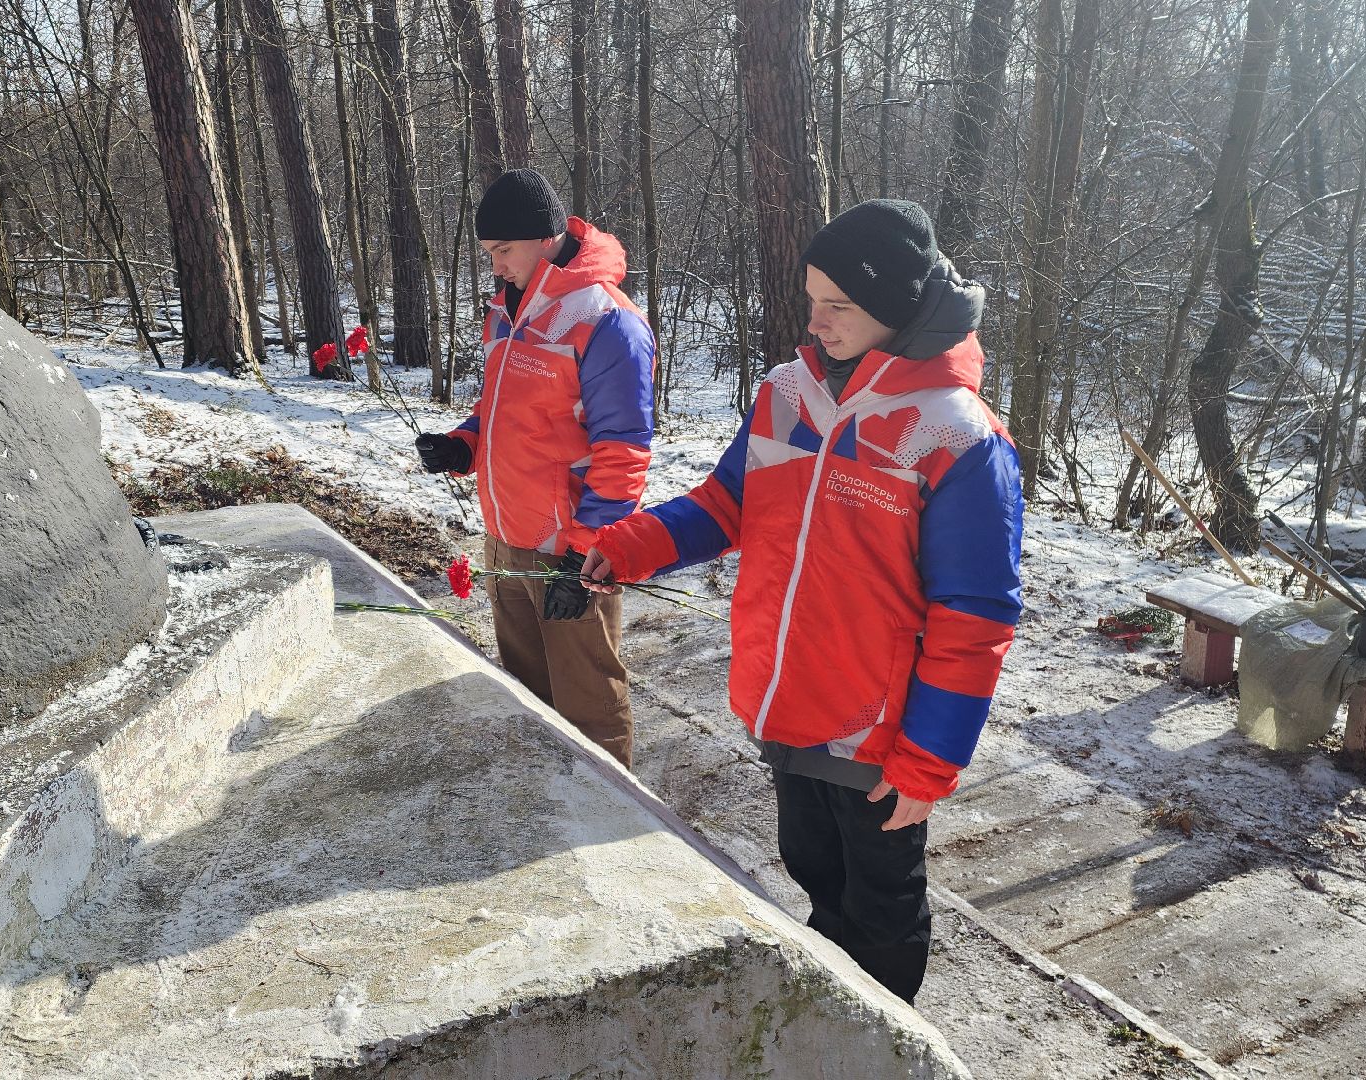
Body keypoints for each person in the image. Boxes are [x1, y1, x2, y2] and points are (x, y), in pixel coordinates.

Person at [579, 199, 1022, 1002]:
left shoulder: (955, 435)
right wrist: (628, 545)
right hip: (787, 694)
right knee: (814, 869)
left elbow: (977, 617)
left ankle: (882, 1034)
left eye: (838, 306)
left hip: (878, 732)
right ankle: (828, 1005)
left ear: (891, 305)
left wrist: (928, 764)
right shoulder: (788, 393)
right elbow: (725, 506)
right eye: (812, 298)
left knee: (881, 903)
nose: (816, 321)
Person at [414, 169, 657, 767]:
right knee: (526, 694)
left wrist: (586, 554)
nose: (494, 266)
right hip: (505, 539)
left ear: (545, 238)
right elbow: (500, 410)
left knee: (589, 702)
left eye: (503, 251)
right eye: (489, 253)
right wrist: (462, 447)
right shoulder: (504, 311)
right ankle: (544, 804)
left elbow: (623, 451)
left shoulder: (607, 322)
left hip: (569, 551)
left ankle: (615, 815)